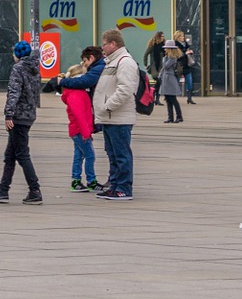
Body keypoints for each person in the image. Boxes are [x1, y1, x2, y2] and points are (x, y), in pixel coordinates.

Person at [0, 39, 42, 204]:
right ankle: (3, 190)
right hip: (29, 114)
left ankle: (35, 189)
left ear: (17, 54)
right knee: (10, 155)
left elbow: (14, 92)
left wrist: (8, 114)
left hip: (18, 116)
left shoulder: (18, 68)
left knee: (22, 154)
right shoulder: (34, 69)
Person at [94, 28, 141, 200]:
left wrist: (108, 106)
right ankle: (114, 185)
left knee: (121, 154)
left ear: (113, 44)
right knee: (113, 154)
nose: (102, 48)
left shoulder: (125, 62)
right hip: (110, 117)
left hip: (118, 117)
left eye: (104, 44)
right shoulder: (112, 61)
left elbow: (125, 89)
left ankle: (123, 188)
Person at [60, 61, 100, 192]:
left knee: (79, 155)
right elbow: (79, 115)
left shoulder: (75, 92)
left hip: (77, 130)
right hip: (80, 130)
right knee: (90, 156)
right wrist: (86, 133)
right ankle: (91, 180)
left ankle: (76, 180)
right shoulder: (77, 93)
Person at [161, 44, 184, 123]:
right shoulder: (168, 58)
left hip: (170, 80)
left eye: (166, 48)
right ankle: (170, 117)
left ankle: (179, 116)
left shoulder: (172, 58)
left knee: (173, 99)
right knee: (168, 100)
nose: (164, 50)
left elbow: (166, 66)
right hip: (166, 80)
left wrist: (164, 59)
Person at [172, 30, 196, 104]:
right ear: (177, 37)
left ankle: (189, 98)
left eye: (183, 36)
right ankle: (173, 98)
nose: (183, 37)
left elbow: (188, 53)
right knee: (176, 82)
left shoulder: (186, 44)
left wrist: (190, 52)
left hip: (187, 66)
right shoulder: (175, 45)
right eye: (181, 36)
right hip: (179, 66)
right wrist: (185, 53)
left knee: (189, 82)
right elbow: (177, 57)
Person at [143, 31, 166, 105]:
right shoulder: (153, 46)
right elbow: (145, 54)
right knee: (158, 81)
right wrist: (145, 64)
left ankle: (155, 99)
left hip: (161, 67)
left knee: (159, 83)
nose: (163, 38)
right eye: (161, 36)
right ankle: (153, 97)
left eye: (163, 36)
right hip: (154, 67)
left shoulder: (163, 46)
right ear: (158, 37)